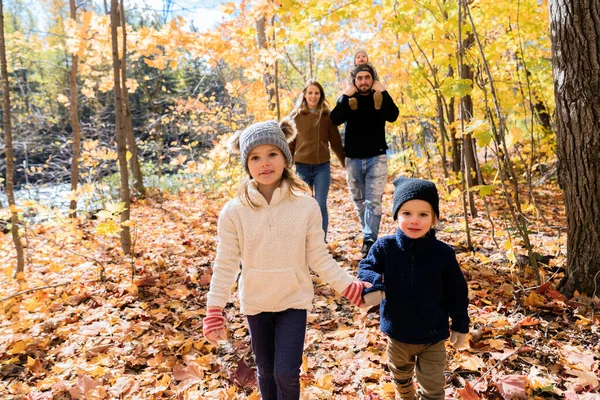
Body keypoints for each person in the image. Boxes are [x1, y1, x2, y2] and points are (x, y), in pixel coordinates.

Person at [202, 119, 370, 400]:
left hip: (293, 300)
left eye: (272, 154)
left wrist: (348, 287)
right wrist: (214, 309)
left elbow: (318, 256)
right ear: (246, 164)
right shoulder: (233, 212)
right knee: (266, 372)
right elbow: (226, 263)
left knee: (286, 373)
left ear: (285, 157)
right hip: (256, 302)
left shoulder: (306, 206)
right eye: (255, 157)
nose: (264, 163)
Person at [358, 177, 470, 400]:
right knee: (400, 375)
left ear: (434, 218)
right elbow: (366, 266)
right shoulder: (385, 247)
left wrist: (460, 324)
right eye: (406, 213)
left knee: (433, 386)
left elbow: (457, 292)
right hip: (397, 333)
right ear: (396, 215)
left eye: (423, 214)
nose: (414, 220)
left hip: (433, 336)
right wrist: (373, 284)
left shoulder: (443, 254)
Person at [330, 63, 399, 257]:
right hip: (352, 159)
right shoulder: (350, 100)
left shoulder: (379, 98)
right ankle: (368, 234)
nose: (363, 82)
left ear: (373, 80)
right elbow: (334, 119)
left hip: (376, 157)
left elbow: (393, 115)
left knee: (373, 201)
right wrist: (344, 95)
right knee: (359, 201)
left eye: (367, 78)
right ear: (355, 81)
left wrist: (384, 92)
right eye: (359, 78)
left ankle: (369, 240)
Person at [288, 80, 345, 240]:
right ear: (305, 95)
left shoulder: (327, 116)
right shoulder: (296, 116)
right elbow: (290, 144)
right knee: (304, 205)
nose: (313, 96)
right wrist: (285, 166)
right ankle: (304, 240)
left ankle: (320, 241)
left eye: (316, 93)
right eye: (310, 92)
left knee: (320, 204)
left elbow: (336, 143)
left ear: (321, 96)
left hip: (322, 168)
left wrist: (345, 163)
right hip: (302, 167)